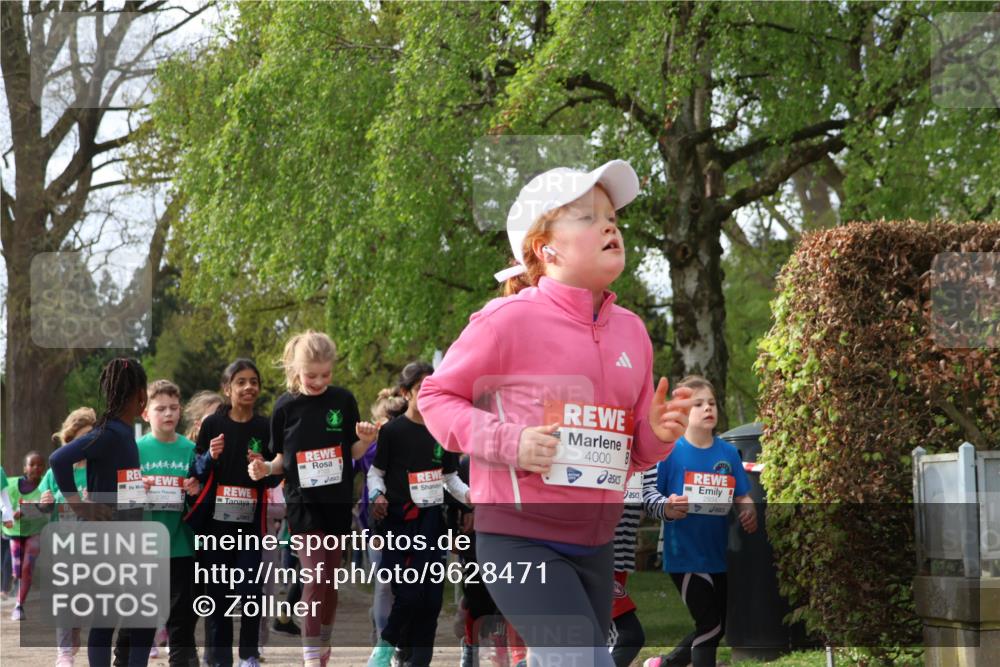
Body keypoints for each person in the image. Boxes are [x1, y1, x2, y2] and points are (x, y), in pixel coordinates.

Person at [419, 160, 695, 667]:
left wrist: (657, 435)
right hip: (518, 540)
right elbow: (435, 398)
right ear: (546, 249)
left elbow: (632, 454)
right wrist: (511, 442)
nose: (609, 226)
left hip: (597, 544)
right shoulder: (507, 320)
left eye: (611, 217)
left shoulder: (632, 331)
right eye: (588, 217)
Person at [248, 331, 377, 667]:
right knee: (315, 575)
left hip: (336, 502)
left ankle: (324, 641)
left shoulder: (343, 400)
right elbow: (281, 460)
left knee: (330, 581)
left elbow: (352, 452)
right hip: (302, 503)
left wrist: (365, 440)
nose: (319, 382)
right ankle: (310, 656)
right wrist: (264, 469)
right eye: (311, 375)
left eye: (325, 374)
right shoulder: (285, 407)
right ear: (296, 369)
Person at [642, 376, 757, 667]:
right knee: (710, 624)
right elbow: (650, 498)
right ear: (682, 412)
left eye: (712, 403)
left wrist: (748, 510)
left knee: (716, 625)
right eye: (698, 404)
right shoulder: (670, 452)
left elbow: (742, 495)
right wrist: (669, 507)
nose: (708, 408)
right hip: (684, 556)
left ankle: (665, 664)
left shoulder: (728, 452)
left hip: (718, 556)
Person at [49, 357, 153, 667]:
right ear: (141, 395)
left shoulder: (121, 433)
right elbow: (58, 459)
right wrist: (79, 504)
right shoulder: (108, 433)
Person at [365, 362, 471, 667]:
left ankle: (416, 659)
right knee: (409, 594)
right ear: (406, 393)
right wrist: (376, 495)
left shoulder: (443, 431)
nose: (428, 394)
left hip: (431, 523)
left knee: (432, 599)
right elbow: (375, 473)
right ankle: (388, 647)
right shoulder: (393, 431)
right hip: (398, 523)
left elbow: (450, 478)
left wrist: (470, 497)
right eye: (421, 388)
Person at [191, 359, 273, 667]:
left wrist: (263, 467)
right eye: (241, 382)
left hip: (250, 525)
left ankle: (248, 655)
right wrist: (210, 457)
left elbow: (275, 476)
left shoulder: (265, 427)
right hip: (216, 526)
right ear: (227, 389)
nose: (249, 387)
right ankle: (220, 658)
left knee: (251, 590)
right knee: (218, 594)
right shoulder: (213, 424)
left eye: (254, 381)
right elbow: (195, 469)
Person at [134, 380, 202, 667]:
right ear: (145, 413)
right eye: (160, 408)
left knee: (181, 617)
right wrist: (135, 487)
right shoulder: (135, 449)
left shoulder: (191, 449)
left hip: (181, 543)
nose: (168, 413)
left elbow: (203, 498)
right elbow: (119, 497)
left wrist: (196, 490)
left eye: (173, 407)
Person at [38, 407, 98, 666]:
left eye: (91, 437)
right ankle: (63, 652)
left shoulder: (98, 470)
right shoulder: (56, 471)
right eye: (80, 438)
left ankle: (74, 629)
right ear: (70, 440)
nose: (86, 444)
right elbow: (41, 506)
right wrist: (44, 503)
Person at [355, 388, 407, 645]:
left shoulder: (411, 444)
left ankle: (395, 633)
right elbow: (348, 470)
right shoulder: (369, 449)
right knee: (384, 583)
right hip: (376, 522)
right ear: (378, 424)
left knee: (403, 583)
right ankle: (382, 642)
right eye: (389, 422)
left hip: (408, 520)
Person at [2, 450, 48, 621]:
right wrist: (12, 513)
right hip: (14, 531)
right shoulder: (11, 484)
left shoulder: (46, 487)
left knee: (27, 567)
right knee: (18, 569)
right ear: (24, 468)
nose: (36, 468)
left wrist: (40, 507)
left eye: (40, 465)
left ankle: (19, 606)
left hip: (35, 531)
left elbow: (51, 508)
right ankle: (16, 580)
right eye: (32, 464)